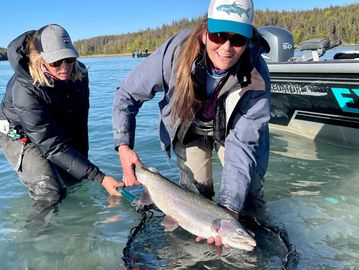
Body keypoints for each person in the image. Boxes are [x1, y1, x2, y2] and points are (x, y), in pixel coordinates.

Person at [112, 0, 270, 246]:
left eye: (237, 40)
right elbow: (127, 95)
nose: (227, 48)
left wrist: (229, 209)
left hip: (233, 132)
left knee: (247, 194)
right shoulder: (175, 52)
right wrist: (124, 146)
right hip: (190, 129)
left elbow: (243, 142)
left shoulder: (256, 75)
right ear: (205, 34)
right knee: (196, 194)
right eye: (219, 36)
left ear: (248, 41)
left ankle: (244, 235)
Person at [0, 24, 123, 212]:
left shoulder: (80, 74)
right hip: (16, 131)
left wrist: (85, 168)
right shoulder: (25, 89)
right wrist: (100, 177)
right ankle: (35, 238)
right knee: (51, 194)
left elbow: (80, 124)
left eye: (69, 59)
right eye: (56, 62)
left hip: (46, 128)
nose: (65, 67)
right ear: (40, 59)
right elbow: (52, 145)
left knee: (74, 178)